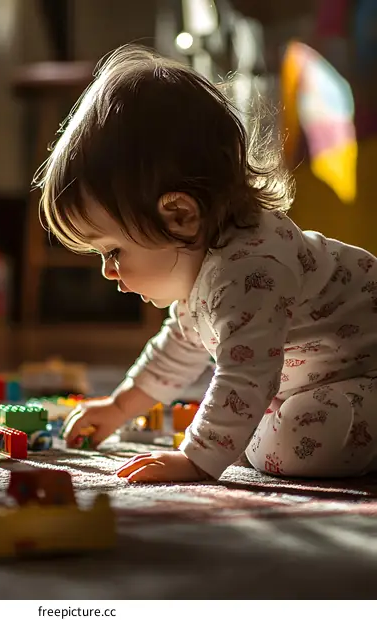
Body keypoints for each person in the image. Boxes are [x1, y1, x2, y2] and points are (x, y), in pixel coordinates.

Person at [34, 44, 377, 484]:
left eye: (113, 251)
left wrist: (197, 459)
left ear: (180, 215)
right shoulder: (207, 266)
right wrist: (120, 407)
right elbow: (177, 350)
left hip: (365, 374)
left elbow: (246, 374)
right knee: (265, 429)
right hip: (331, 382)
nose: (108, 272)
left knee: (295, 442)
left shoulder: (252, 270)